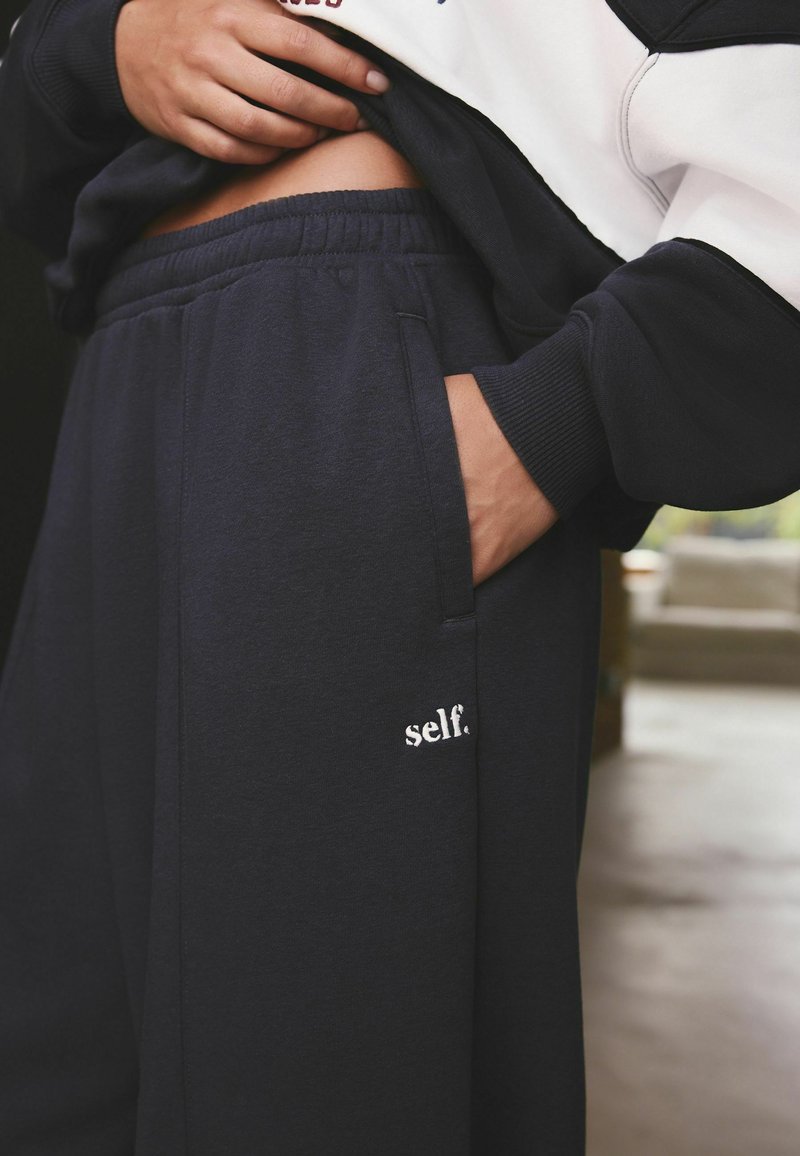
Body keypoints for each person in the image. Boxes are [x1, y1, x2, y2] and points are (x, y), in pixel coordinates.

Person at [1, 2, 799, 1153]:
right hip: (120, 371)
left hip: (359, 359)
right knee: (53, 1063)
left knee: (328, 1087)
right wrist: (109, 43)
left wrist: (557, 420)